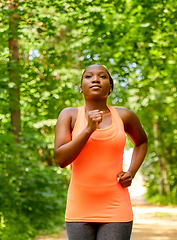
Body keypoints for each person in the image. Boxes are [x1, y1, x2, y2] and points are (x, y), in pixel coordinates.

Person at [54, 63, 148, 240]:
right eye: (88, 76)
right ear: (81, 88)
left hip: (116, 205)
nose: (96, 79)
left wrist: (131, 172)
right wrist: (88, 129)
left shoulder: (125, 116)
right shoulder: (69, 115)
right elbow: (61, 159)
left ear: (110, 88)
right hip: (79, 206)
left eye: (103, 76)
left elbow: (142, 142)